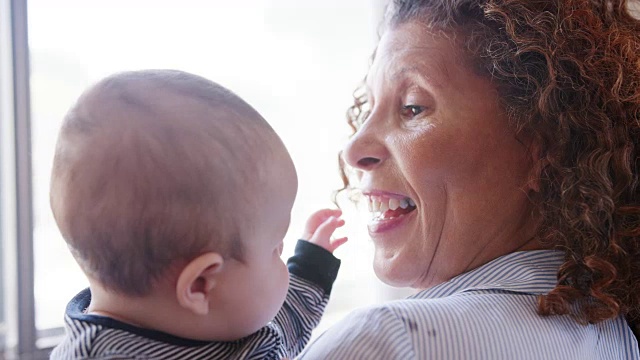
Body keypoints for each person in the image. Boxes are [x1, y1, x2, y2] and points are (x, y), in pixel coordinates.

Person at [300, 0, 640, 358]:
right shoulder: (617, 339)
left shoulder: (387, 341)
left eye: (413, 107)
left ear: (543, 149)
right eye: (368, 108)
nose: (354, 148)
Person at [48, 69, 347, 360]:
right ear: (200, 284)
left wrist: (311, 265)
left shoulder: (216, 324)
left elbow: (280, 322)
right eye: (275, 248)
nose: (281, 251)